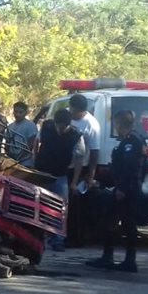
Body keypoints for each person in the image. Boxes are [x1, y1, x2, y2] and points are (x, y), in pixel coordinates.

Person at [88, 110, 147, 272]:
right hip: (127, 187)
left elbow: (131, 168)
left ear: (120, 124)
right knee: (114, 222)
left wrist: (122, 188)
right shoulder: (132, 140)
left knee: (124, 224)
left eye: (116, 124)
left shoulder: (131, 142)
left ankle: (126, 260)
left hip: (126, 190)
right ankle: (111, 257)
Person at [34, 107, 79, 251]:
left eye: (63, 126)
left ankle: (58, 239)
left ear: (69, 125)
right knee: (40, 206)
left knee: (60, 208)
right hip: (43, 174)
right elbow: (36, 143)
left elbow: (79, 159)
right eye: (58, 125)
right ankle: (39, 237)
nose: (60, 129)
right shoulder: (46, 127)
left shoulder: (76, 136)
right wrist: (36, 161)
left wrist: (74, 182)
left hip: (60, 176)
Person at [67, 93, 102, 246]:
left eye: (73, 109)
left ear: (80, 109)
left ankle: (76, 238)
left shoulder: (91, 124)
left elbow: (95, 152)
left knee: (77, 206)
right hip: (65, 166)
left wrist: (90, 175)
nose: (71, 112)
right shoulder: (68, 119)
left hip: (82, 168)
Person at [7, 101, 39, 166]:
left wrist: (20, 157)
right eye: (16, 111)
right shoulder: (10, 126)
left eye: (20, 112)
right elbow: (7, 143)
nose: (17, 114)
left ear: (25, 113)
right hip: (11, 160)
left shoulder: (31, 126)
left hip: (25, 161)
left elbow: (31, 144)